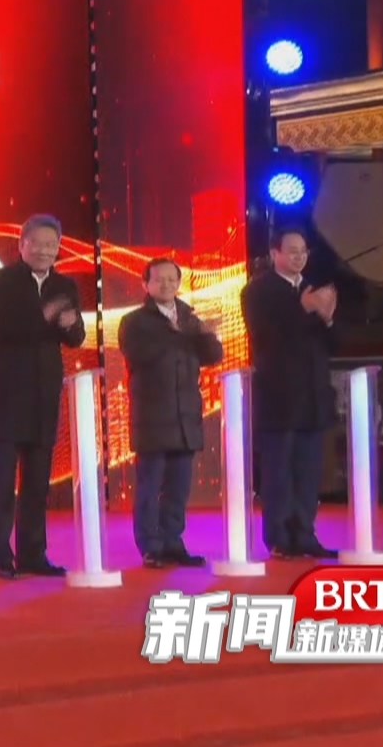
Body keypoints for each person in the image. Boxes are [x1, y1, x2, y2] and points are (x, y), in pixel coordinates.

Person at [0, 213, 84, 580]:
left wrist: (69, 325)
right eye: (36, 244)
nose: (44, 251)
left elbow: (76, 337)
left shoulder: (65, 285)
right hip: (4, 397)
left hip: (43, 396)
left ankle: (33, 554)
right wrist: (43, 317)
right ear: (22, 245)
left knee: (37, 484)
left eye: (51, 245)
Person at [240, 227, 340, 560]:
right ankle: (280, 537)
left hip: (313, 398)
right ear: (275, 254)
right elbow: (267, 335)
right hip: (279, 398)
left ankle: (305, 534)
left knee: (308, 474)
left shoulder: (315, 289)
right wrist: (304, 308)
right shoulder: (258, 291)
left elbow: (334, 344)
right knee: (279, 474)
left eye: (303, 251)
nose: (299, 257)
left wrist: (327, 318)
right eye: (292, 251)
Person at [119, 258, 224, 568]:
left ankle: (172, 542)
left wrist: (201, 334)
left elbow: (213, 355)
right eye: (159, 279)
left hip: (185, 416)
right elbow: (140, 353)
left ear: (178, 283)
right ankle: (151, 546)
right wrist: (179, 335)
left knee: (178, 488)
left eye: (171, 279)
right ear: (146, 284)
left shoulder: (189, 318)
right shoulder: (135, 322)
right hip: (152, 416)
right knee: (150, 486)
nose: (166, 284)